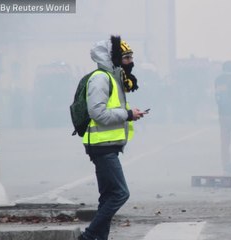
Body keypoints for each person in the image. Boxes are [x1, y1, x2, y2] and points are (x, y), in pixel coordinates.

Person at [78, 35, 145, 240]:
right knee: (120, 194)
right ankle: (88, 237)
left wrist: (130, 114)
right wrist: (127, 114)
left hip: (108, 145)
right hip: (101, 146)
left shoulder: (113, 77)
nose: (130, 62)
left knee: (107, 197)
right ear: (114, 57)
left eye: (131, 57)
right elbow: (97, 113)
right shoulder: (101, 78)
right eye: (126, 58)